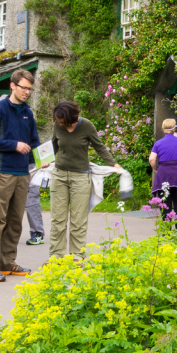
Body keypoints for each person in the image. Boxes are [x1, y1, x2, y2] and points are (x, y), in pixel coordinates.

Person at [0, 70, 41, 282]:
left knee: (15, 221)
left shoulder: (27, 112)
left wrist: (43, 159)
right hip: (1, 172)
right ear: (12, 86)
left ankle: (7, 263)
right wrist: (13, 145)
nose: (26, 92)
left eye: (29, 89)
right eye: (24, 88)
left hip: (22, 173)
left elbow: (34, 142)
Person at [49, 101, 120, 258]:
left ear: (72, 117)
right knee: (57, 220)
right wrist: (44, 160)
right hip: (59, 175)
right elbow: (53, 145)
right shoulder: (57, 126)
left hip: (80, 177)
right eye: (57, 120)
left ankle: (77, 255)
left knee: (78, 220)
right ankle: (56, 256)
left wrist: (114, 164)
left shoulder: (86, 125)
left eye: (62, 121)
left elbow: (99, 147)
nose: (59, 123)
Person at [149, 118, 177, 228]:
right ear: (174, 129)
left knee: (165, 203)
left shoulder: (158, 143)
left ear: (163, 129)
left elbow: (152, 159)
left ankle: (166, 229)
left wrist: (156, 168)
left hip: (164, 174)